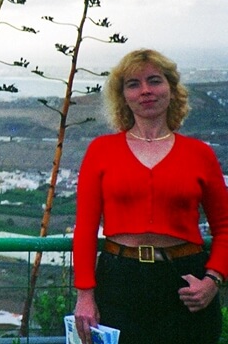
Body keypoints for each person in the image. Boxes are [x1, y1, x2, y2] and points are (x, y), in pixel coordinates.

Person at [72, 48, 228, 344]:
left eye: (154, 81)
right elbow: (86, 229)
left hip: (186, 285)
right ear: (123, 96)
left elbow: (225, 227)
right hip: (119, 282)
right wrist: (85, 295)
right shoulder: (101, 151)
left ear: (171, 89)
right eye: (133, 84)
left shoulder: (200, 154)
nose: (145, 91)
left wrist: (213, 281)